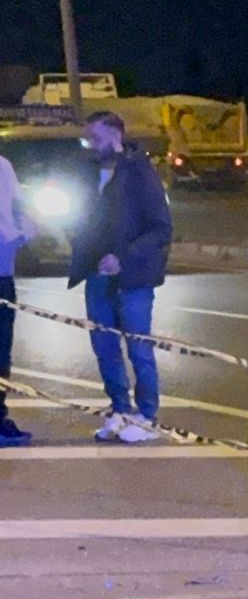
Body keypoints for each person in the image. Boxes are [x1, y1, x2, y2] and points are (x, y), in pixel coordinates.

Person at [69, 111, 173, 445]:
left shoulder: (139, 171)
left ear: (116, 135)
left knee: (139, 349)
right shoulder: (87, 172)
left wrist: (123, 259)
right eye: (87, 138)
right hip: (96, 275)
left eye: (96, 138)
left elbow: (161, 228)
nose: (90, 145)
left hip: (133, 279)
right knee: (105, 348)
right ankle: (120, 410)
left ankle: (147, 417)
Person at [0, 148, 31, 446]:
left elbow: (21, 208)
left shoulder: (3, 167)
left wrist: (20, 234)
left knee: (1, 351)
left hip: (2, 273)